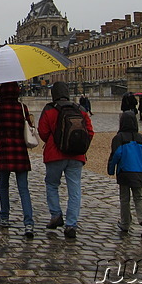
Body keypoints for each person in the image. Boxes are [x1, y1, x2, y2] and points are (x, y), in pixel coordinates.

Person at [37, 81, 94, 239]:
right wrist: (80, 146)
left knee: (52, 184)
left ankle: (56, 214)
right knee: (74, 190)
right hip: (76, 156)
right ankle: (71, 224)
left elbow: (42, 132)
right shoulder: (80, 109)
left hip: (54, 155)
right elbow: (90, 131)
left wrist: (53, 141)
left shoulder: (49, 110)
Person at [0, 82, 35, 238]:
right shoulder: (22, 108)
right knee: (24, 189)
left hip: (4, 151)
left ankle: (4, 217)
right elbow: (29, 128)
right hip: (20, 152)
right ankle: (29, 223)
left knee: (3, 186)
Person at [108, 111, 142, 239]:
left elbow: (116, 155)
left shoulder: (119, 138)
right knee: (139, 196)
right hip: (139, 171)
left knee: (125, 198)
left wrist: (111, 169)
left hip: (124, 171)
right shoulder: (141, 138)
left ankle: (125, 223)